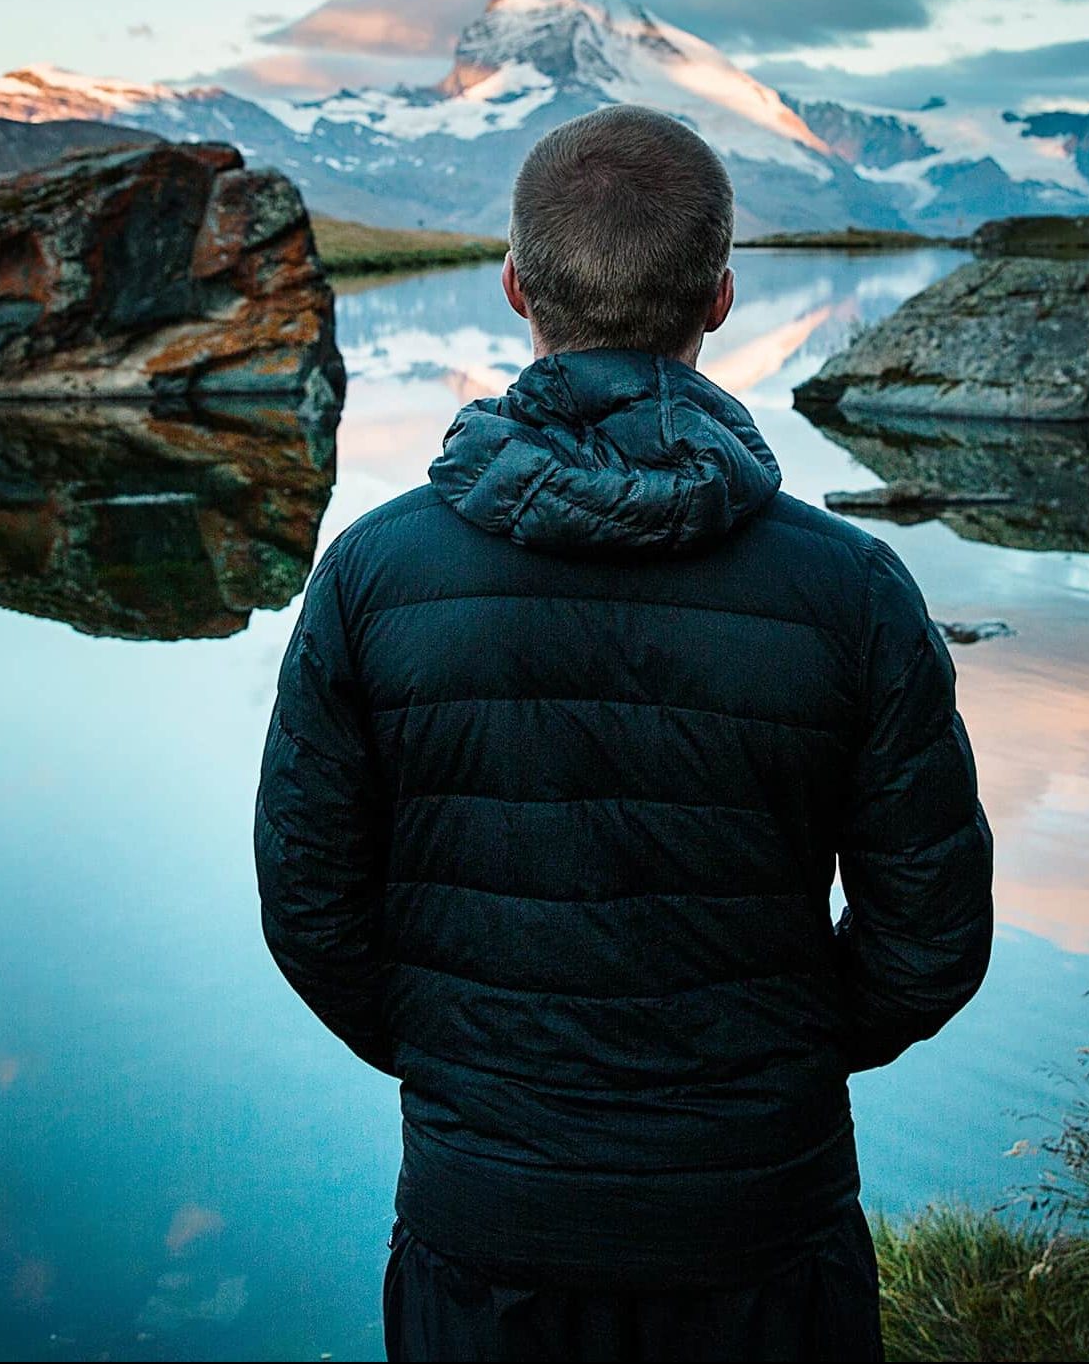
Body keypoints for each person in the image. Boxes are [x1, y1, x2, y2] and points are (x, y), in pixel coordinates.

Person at [255, 104, 994, 1364]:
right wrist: (782, 1054)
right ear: (717, 296)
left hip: (484, 1229)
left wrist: (464, 1063)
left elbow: (310, 911)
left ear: (512, 287)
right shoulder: (854, 590)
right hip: (761, 1223)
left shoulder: (371, 578)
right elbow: (929, 936)